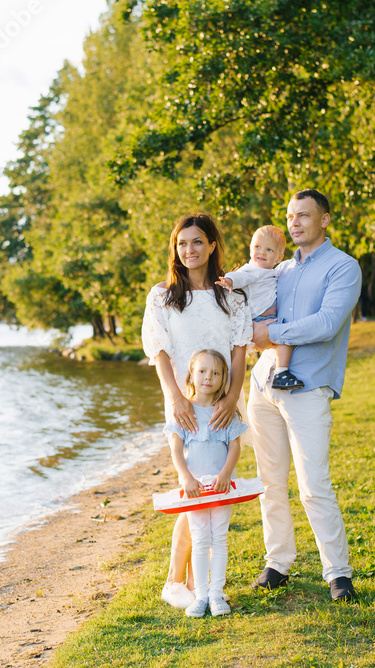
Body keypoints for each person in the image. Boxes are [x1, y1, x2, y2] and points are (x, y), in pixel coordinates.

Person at [247, 189, 362, 602]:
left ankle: (338, 574)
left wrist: (271, 334)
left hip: (308, 387)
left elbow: (327, 323)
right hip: (262, 386)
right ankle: (278, 563)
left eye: (304, 216)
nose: (294, 223)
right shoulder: (281, 270)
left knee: (314, 484)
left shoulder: (343, 268)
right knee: (270, 482)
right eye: (291, 216)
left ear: (325, 220)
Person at [141, 212, 252, 609]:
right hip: (184, 404)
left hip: (222, 404)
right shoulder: (163, 296)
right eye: (182, 243)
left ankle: (199, 583)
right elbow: (159, 352)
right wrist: (175, 398)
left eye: (197, 242)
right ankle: (175, 581)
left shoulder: (233, 298)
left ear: (211, 246)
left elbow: (240, 354)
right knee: (193, 493)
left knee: (216, 493)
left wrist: (231, 400)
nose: (189, 250)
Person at [164, 349, 246, 617]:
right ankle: (200, 595)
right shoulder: (184, 412)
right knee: (199, 539)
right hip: (195, 489)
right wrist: (186, 477)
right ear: (191, 374)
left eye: (215, 373)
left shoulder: (225, 412)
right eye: (202, 371)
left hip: (222, 486)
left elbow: (235, 446)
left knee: (219, 539)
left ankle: (216, 593)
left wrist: (225, 474)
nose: (208, 377)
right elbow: (176, 450)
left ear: (224, 379)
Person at [216, 225, 304, 390]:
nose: (261, 252)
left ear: (278, 257)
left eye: (269, 250)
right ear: (250, 249)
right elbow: (240, 276)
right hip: (258, 319)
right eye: (257, 247)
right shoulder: (252, 270)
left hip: (268, 319)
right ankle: (281, 372)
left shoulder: (274, 272)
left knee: (285, 336)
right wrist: (229, 280)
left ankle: (279, 371)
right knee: (285, 334)